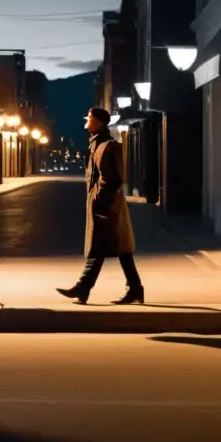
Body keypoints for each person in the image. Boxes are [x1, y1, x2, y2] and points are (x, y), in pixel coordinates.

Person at [57, 107, 145, 305]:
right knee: (117, 248)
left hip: (106, 206)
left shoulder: (107, 146)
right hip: (103, 204)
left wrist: (100, 199)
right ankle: (134, 288)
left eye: (89, 118)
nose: (86, 121)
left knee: (101, 247)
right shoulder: (97, 143)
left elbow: (113, 178)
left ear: (99, 122)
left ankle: (83, 287)